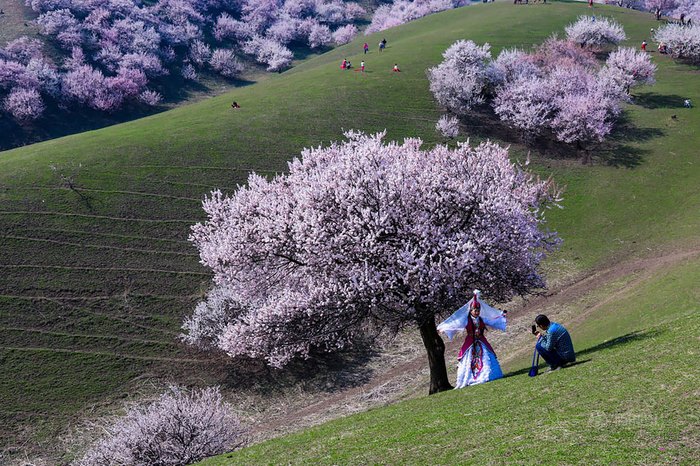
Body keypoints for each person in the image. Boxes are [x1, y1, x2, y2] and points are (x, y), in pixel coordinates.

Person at [438, 290, 507, 388]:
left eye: (478, 310)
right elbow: (456, 324)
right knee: (469, 360)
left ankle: (487, 376)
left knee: (486, 358)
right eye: (475, 310)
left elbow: (492, 320)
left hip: (482, 342)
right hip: (470, 343)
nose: (477, 312)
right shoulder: (466, 320)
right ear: (471, 311)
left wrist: (501, 316)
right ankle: (470, 379)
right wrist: (444, 328)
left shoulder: (482, 319)